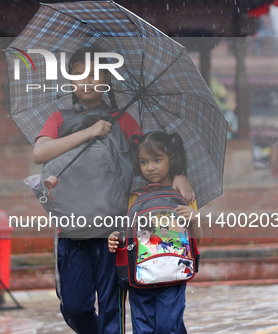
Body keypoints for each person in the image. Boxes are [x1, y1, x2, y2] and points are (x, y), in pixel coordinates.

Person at [33, 47, 195, 334]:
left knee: (112, 307)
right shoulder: (58, 118)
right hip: (72, 229)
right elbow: (40, 153)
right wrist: (90, 131)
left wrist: (179, 174)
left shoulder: (124, 121)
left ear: (108, 79)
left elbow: (152, 158)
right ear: (70, 80)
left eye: (96, 74)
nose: (88, 80)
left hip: (114, 230)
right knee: (75, 306)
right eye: (80, 74)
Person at [108, 131, 203, 334]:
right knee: (143, 328)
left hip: (173, 272)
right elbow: (126, 236)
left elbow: (196, 241)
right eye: (143, 162)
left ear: (172, 158)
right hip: (141, 274)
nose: (150, 167)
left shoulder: (184, 195)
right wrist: (114, 240)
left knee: (169, 325)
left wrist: (195, 219)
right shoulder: (134, 198)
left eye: (157, 160)